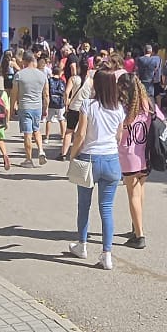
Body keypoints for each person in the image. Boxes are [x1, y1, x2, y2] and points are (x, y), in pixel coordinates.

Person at [65, 69, 126, 270]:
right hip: (111, 160)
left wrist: (72, 155)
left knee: (84, 205)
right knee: (106, 209)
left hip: (89, 158)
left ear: (97, 85)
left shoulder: (88, 105)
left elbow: (80, 134)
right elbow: (118, 137)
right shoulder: (118, 108)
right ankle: (107, 254)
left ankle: (82, 245)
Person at [116, 74, 159, 250]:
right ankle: (136, 225)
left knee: (132, 193)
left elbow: (118, 131)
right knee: (140, 190)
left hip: (128, 155)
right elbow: (160, 120)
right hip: (146, 153)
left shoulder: (124, 108)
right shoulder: (148, 104)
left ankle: (139, 235)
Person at [12, 53, 50, 167]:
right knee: (36, 130)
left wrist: (12, 106)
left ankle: (28, 159)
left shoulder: (19, 75)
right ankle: (41, 150)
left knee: (27, 134)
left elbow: (14, 93)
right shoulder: (42, 75)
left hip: (25, 106)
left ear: (24, 61)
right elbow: (46, 94)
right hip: (37, 107)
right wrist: (45, 107)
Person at [60, 60, 88, 160]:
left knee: (69, 131)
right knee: (82, 132)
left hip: (73, 107)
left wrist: (66, 102)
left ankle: (63, 153)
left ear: (79, 67)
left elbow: (67, 92)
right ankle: (78, 153)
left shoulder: (73, 79)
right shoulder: (91, 81)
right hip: (85, 109)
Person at [44, 64, 69, 150]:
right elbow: (64, 92)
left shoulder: (49, 80)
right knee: (61, 119)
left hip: (51, 102)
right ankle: (62, 136)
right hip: (60, 103)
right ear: (60, 73)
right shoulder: (62, 81)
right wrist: (66, 103)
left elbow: (46, 91)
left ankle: (47, 137)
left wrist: (45, 104)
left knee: (49, 120)